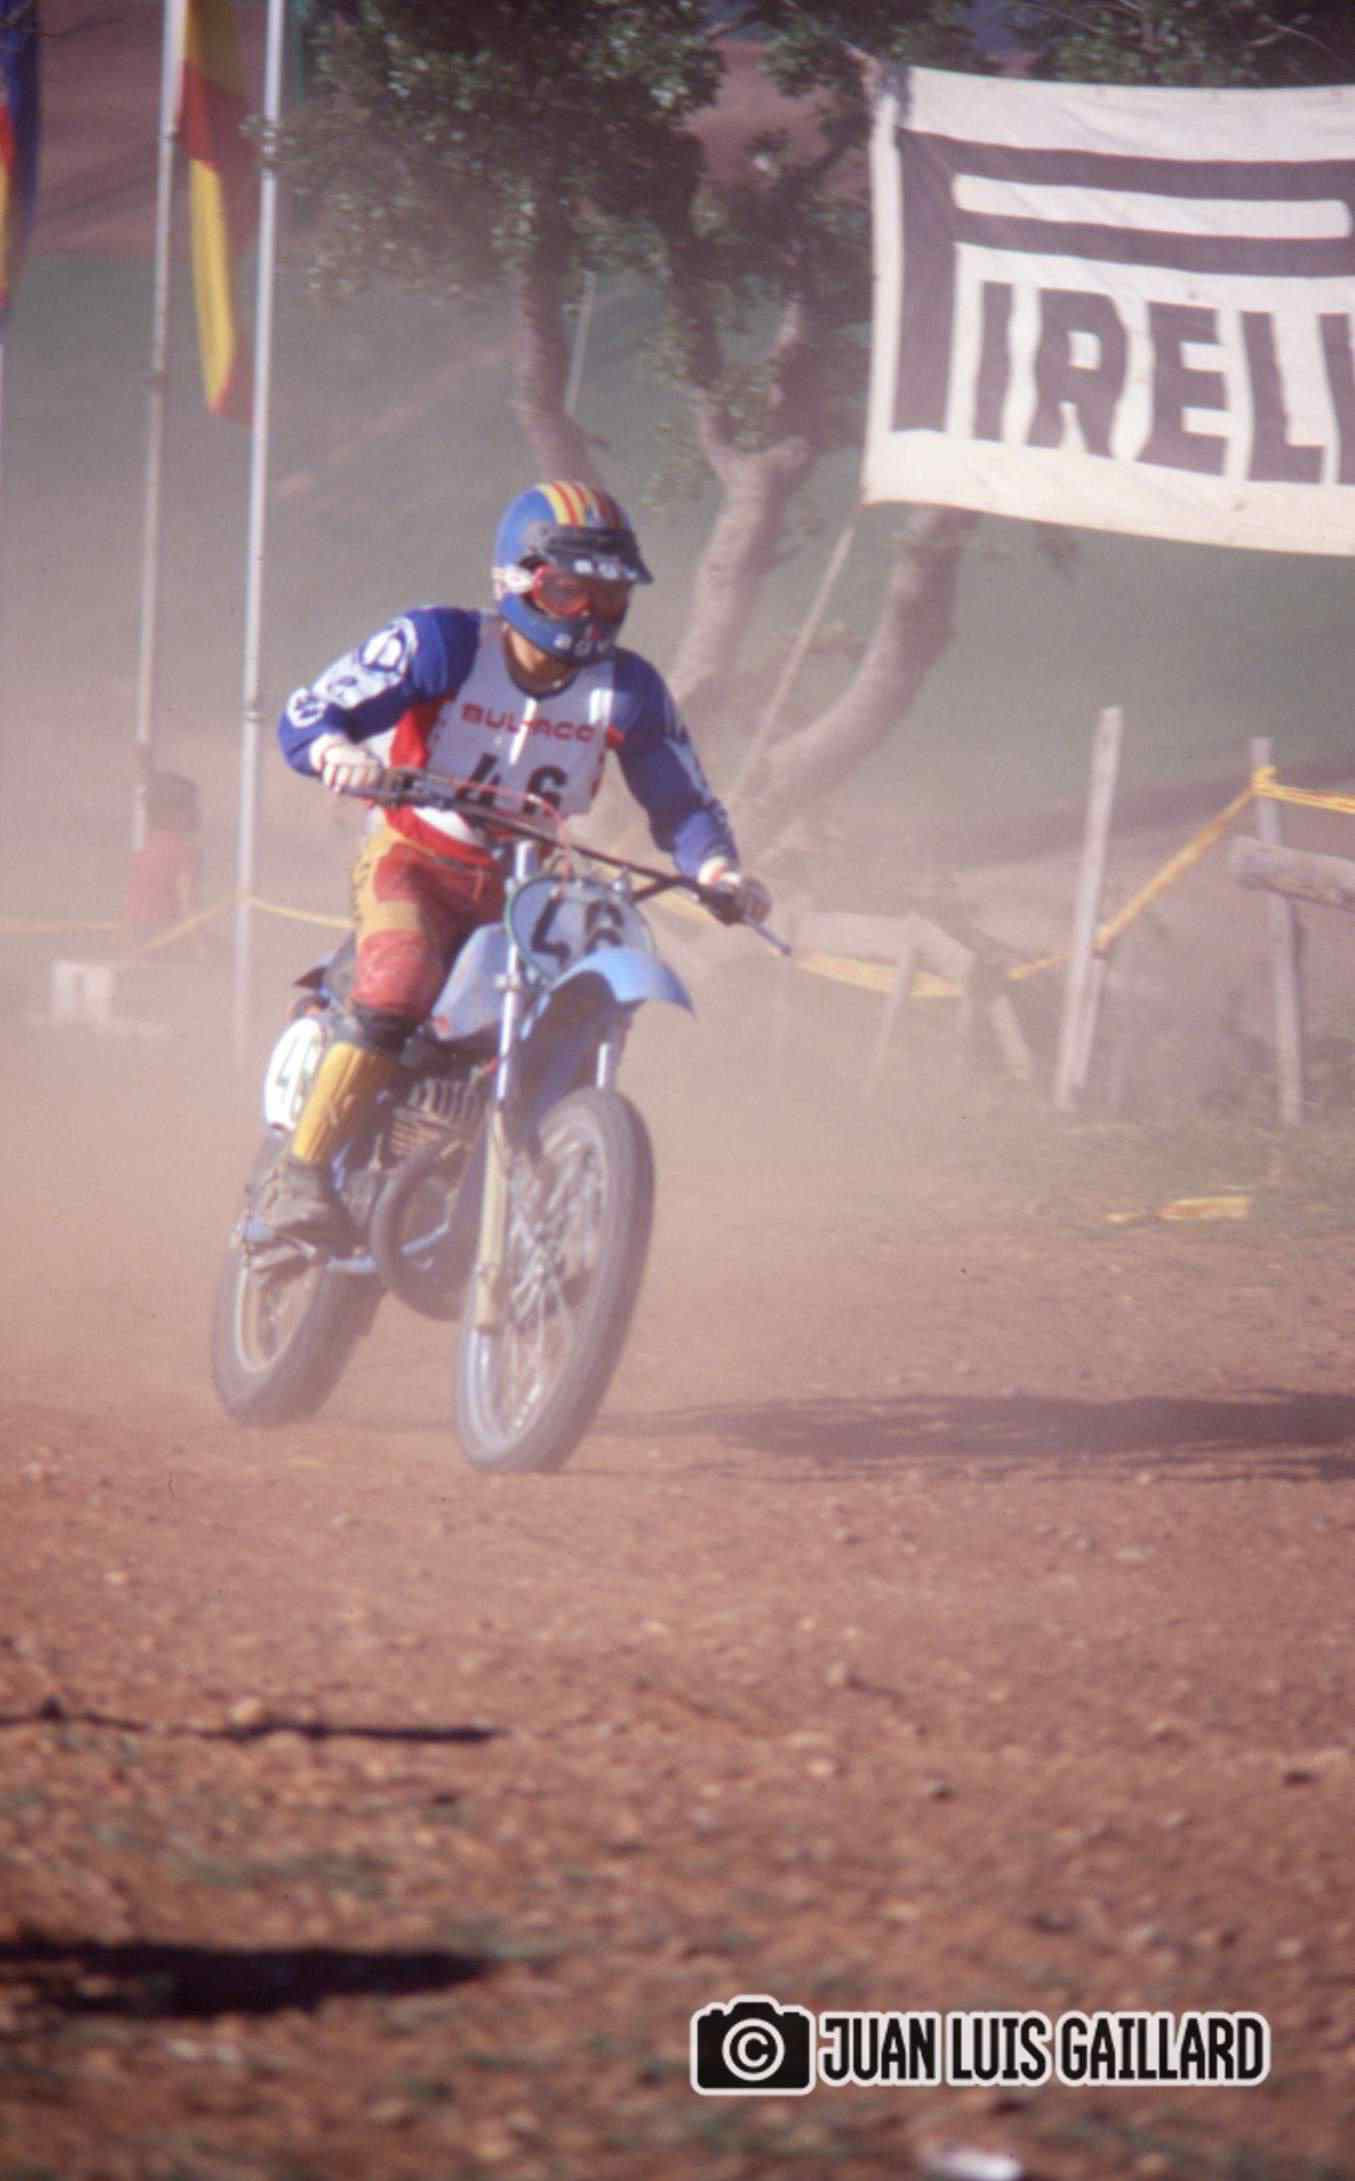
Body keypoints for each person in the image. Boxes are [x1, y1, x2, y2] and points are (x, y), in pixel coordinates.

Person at [266, 479, 772, 1243]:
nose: (591, 614)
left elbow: (683, 800)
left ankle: (525, 1180)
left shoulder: (628, 689)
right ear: (517, 579)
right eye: (570, 592)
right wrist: (335, 749)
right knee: (400, 980)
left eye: (610, 596)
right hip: (414, 855)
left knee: (572, 1011)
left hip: (531, 889)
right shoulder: (441, 643)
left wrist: (716, 871)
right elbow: (308, 712)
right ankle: (297, 1177)